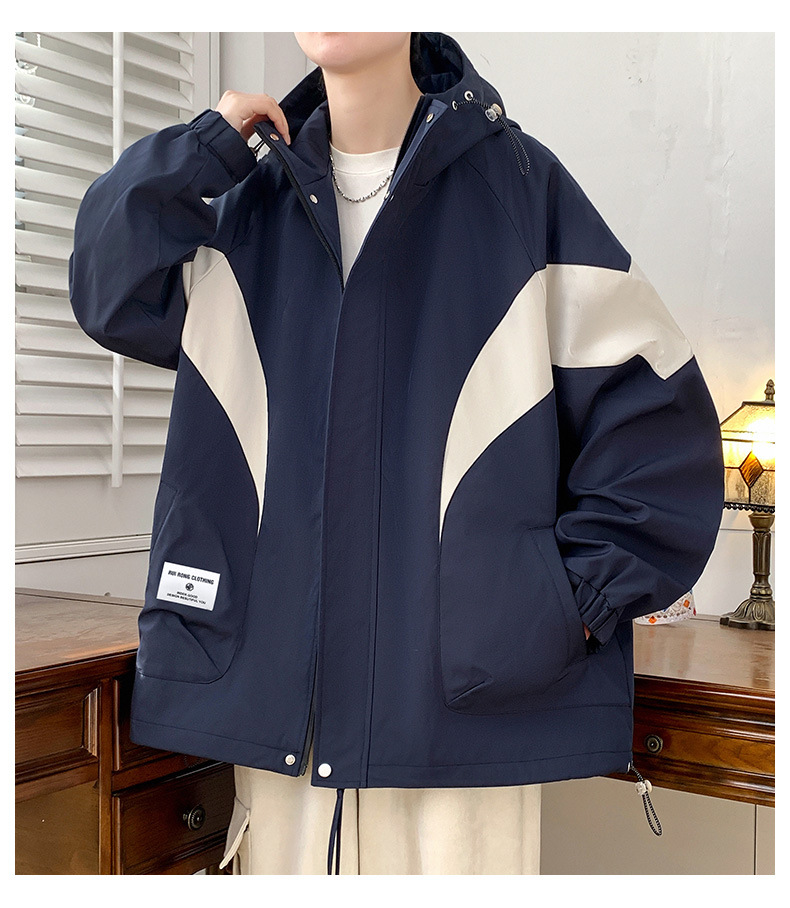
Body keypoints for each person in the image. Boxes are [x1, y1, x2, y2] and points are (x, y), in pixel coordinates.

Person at [68, 32, 724, 874]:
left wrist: (562, 607)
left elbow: (661, 438)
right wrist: (206, 145)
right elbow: (107, 286)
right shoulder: (240, 200)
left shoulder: (521, 191)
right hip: (282, 715)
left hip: (463, 731)